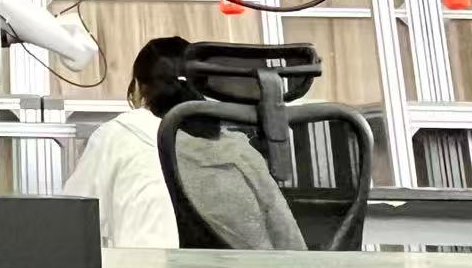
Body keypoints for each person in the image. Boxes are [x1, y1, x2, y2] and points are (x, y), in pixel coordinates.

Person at [62, 36, 304, 251]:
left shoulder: (118, 134)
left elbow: (71, 222)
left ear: (138, 87)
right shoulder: (237, 148)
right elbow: (288, 238)